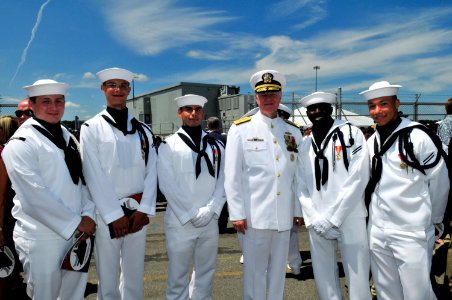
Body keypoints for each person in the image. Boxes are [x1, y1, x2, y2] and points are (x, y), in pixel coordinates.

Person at [2, 79, 96, 299]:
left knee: (73, 294)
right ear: (33, 106)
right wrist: (77, 222)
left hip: (78, 232)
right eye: (46, 102)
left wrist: (89, 214)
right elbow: (34, 196)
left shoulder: (67, 136)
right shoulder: (21, 142)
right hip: (42, 237)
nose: (54, 107)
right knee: (45, 295)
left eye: (59, 101)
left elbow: (81, 180)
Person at [360, 81, 450, 300]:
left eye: (383, 104)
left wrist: (435, 220)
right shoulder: (371, 142)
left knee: (417, 293)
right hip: (378, 229)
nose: (377, 111)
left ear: (396, 103)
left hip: (411, 230)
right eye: (372, 106)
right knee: (386, 292)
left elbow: (440, 183)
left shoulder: (418, 137)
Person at [224, 69, 303, 299]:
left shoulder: (293, 132)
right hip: (253, 216)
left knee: (278, 272)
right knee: (255, 272)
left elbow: (297, 175)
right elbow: (232, 175)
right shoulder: (240, 128)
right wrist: (236, 212)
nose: (269, 99)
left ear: (280, 96)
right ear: (256, 97)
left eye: (273, 93)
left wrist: (297, 210)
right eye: (263, 94)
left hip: (283, 216)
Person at [80, 67, 157, 300]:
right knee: (108, 277)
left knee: (134, 275)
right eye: (112, 85)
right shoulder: (91, 128)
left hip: (137, 214)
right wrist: (114, 215)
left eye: (123, 86)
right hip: (107, 216)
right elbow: (92, 174)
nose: (118, 90)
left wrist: (144, 211)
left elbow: (152, 171)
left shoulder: (143, 130)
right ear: (103, 89)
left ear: (129, 90)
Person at [296, 91, 371, 300]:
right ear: (307, 113)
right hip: (318, 219)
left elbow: (359, 176)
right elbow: (300, 184)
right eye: (312, 109)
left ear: (331, 109)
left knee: (357, 274)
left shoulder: (351, 133)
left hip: (350, 215)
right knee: (323, 274)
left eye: (322, 107)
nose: (317, 111)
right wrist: (313, 216)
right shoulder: (304, 144)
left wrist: (334, 217)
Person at [157, 94, 226, 300]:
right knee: (178, 275)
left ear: (203, 113)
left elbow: (223, 180)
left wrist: (212, 209)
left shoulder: (216, 145)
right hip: (180, 220)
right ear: (180, 113)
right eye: (188, 109)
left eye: (197, 109)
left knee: (206, 271)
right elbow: (167, 184)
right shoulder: (168, 145)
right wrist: (190, 213)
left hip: (209, 218)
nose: (193, 113)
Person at [206, 116, 229, 234]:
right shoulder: (225, 138)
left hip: (208, 174)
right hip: (224, 173)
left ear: (207, 126)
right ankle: (222, 224)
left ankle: (209, 224)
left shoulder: (204, 138)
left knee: (207, 198)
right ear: (218, 126)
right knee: (223, 199)